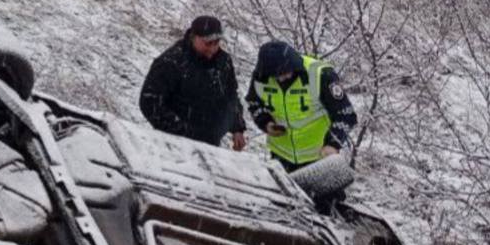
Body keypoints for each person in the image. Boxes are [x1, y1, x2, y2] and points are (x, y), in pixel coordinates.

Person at [139, 16, 247, 150]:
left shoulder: (223, 62)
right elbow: (149, 102)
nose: (213, 49)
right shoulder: (171, 62)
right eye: (208, 43)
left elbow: (230, 97)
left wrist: (237, 128)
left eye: (216, 43)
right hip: (172, 144)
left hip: (210, 146)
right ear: (193, 37)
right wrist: (182, 131)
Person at [245, 40, 356, 170]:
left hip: (319, 157)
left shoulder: (320, 75)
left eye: (284, 72)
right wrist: (266, 123)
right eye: (276, 75)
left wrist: (333, 143)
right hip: (281, 158)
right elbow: (254, 103)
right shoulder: (261, 77)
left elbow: (346, 114)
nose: (281, 78)